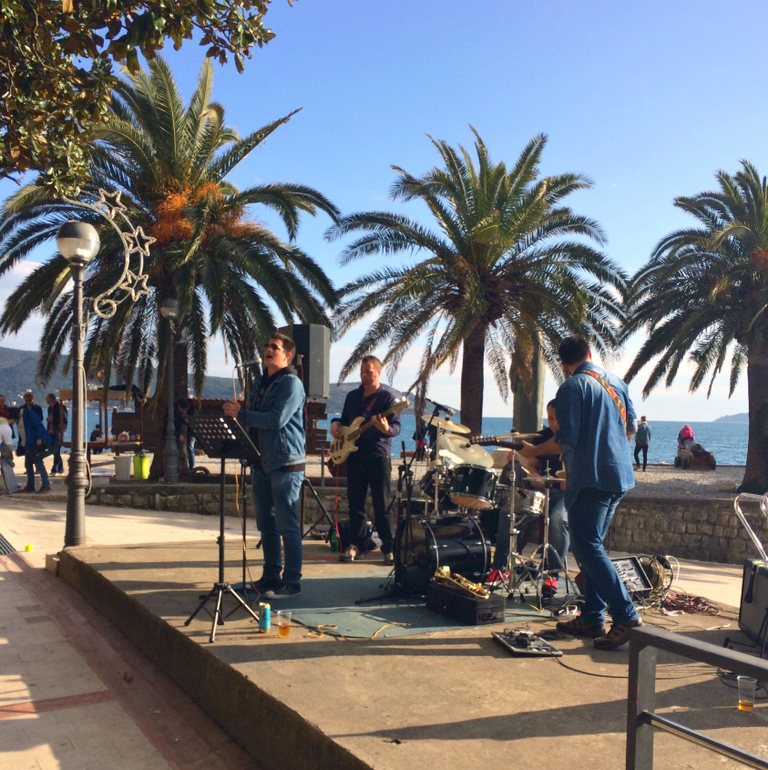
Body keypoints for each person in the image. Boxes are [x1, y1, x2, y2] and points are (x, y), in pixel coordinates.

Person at [520, 335, 641, 650]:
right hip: (619, 476)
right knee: (592, 546)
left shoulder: (572, 387)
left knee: (586, 548)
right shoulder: (616, 383)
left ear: (563, 363)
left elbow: (567, 438)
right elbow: (631, 428)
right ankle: (592, 617)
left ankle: (626, 615)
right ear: (589, 353)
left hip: (591, 478)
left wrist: (533, 450)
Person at [224, 333, 306, 600]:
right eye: (267, 346)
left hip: (285, 461)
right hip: (260, 461)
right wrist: (240, 416)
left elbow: (276, 420)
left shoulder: (291, 384)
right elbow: (255, 418)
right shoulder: (260, 382)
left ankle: (292, 582)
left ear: (287, 356)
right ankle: (271, 576)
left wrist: (242, 414)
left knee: (286, 524)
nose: (268, 349)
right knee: (265, 524)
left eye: (274, 347)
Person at [329, 356, 401, 565]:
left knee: (382, 504)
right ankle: (356, 544)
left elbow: (395, 427)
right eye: (362, 371)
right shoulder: (352, 396)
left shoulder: (388, 399)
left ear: (378, 372)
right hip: (355, 455)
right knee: (355, 503)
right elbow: (344, 420)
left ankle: (389, 548)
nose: (364, 375)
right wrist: (335, 424)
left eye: (368, 371)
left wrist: (386, 428)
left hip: (378, 455)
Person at [17, 394, 53, 493]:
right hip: (28, 442)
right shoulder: (23, 412)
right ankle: (30, 485)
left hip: (34, 442)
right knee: (28, 464)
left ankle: (45, 484)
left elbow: (37, 424)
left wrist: (38, 438)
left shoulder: (30, 413)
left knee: (38, 463)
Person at [46, 393, 68, 475]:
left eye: (47, 399)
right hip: (51, 431)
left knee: (56, 450)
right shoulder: (49, 408)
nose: (46, 401)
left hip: (58, 431)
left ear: (51, 399)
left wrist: (62, 429)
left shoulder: (61, 407)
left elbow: (64, 419)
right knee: (54, 450)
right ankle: (60, 468)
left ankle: (54, 469)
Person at [0, 409, 21, 494]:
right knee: (5, 465)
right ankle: (10, 487)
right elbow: (8, 445)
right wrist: (10, 454)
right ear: (12, 420)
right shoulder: (6, 428)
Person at [186, 398, 199, 469]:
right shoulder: (194, 411)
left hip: (191, 434)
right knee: (190, 449)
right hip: (192, 433)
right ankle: (192, 466)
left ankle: (192, 466)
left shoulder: (192, 412)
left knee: (190, 449)